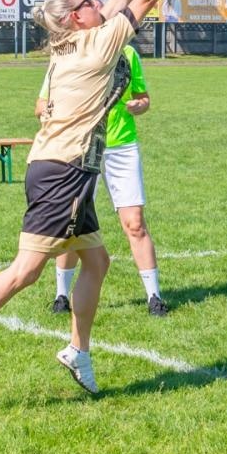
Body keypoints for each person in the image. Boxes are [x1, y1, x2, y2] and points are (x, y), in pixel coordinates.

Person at [0, 0, 217, 395]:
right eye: (88, 0)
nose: (98, 1)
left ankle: (78, 351)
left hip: (64, 168)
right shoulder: (99, 46)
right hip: (63, 171)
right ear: (76, 17)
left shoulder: (77, 41)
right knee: (27, 271)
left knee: (97, 262)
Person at [44, 42, 166, 316]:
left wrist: (139, 105)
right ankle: (61, 295)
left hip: (122, 146)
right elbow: (42, 104)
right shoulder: (72, 51)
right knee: (73, 222)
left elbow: (144, 97)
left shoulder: (128, 53)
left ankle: (155, 297)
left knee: (134, 223)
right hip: (82, 147)